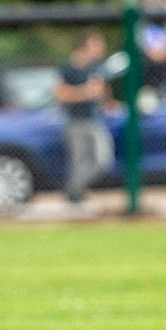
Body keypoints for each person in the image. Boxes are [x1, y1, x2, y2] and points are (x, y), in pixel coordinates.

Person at [54, 30, 115, 204]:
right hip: (75, 121)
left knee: (102, 159)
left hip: (94, 120)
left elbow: (103, 91)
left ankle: (74, 190)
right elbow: (61, 94)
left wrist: (109, 103)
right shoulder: (69, 67)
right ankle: (75, 196)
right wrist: (85, 92)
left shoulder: (96, 67)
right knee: (79, 162)